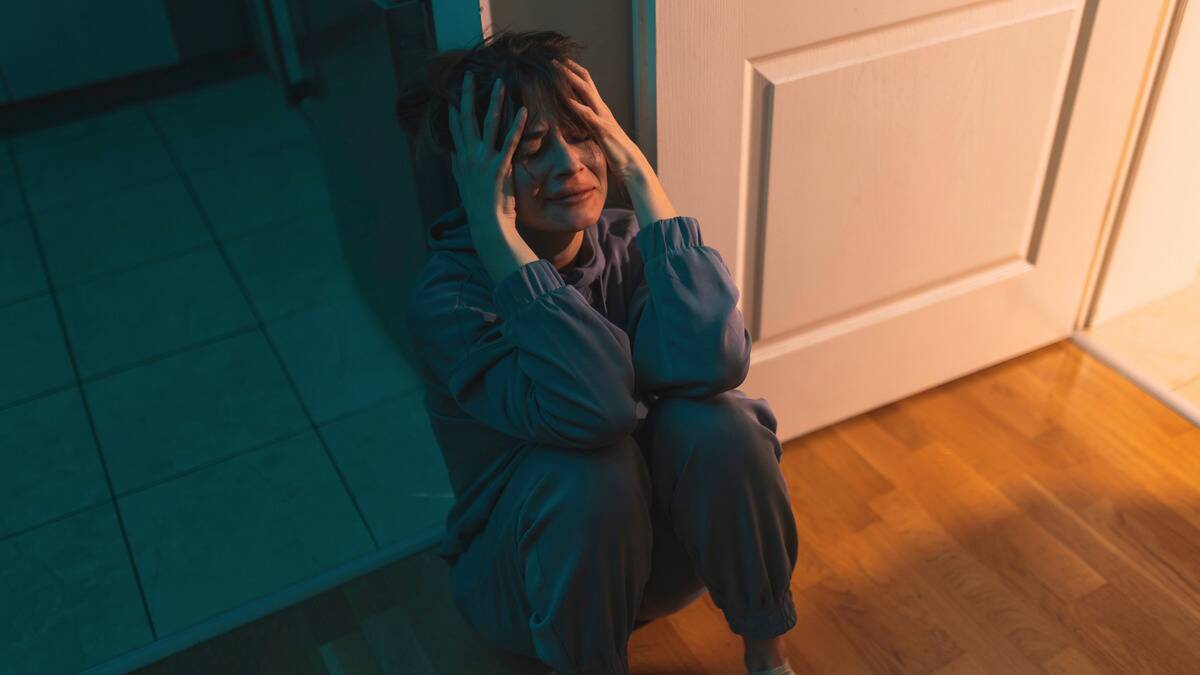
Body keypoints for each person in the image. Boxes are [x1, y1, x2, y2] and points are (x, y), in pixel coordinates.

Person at [397, 29, 799, 675]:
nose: (570, 164)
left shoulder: (623, 242)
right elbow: (597, 407)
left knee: (723, 422)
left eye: (583, 135)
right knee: (591, 468)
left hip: (652, 557)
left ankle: (768, 655)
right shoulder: (451, 302)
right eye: (530, 151)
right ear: (477, 176)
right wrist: (496, 237)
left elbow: (716, 358)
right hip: (530, 582)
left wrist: (637, 170)